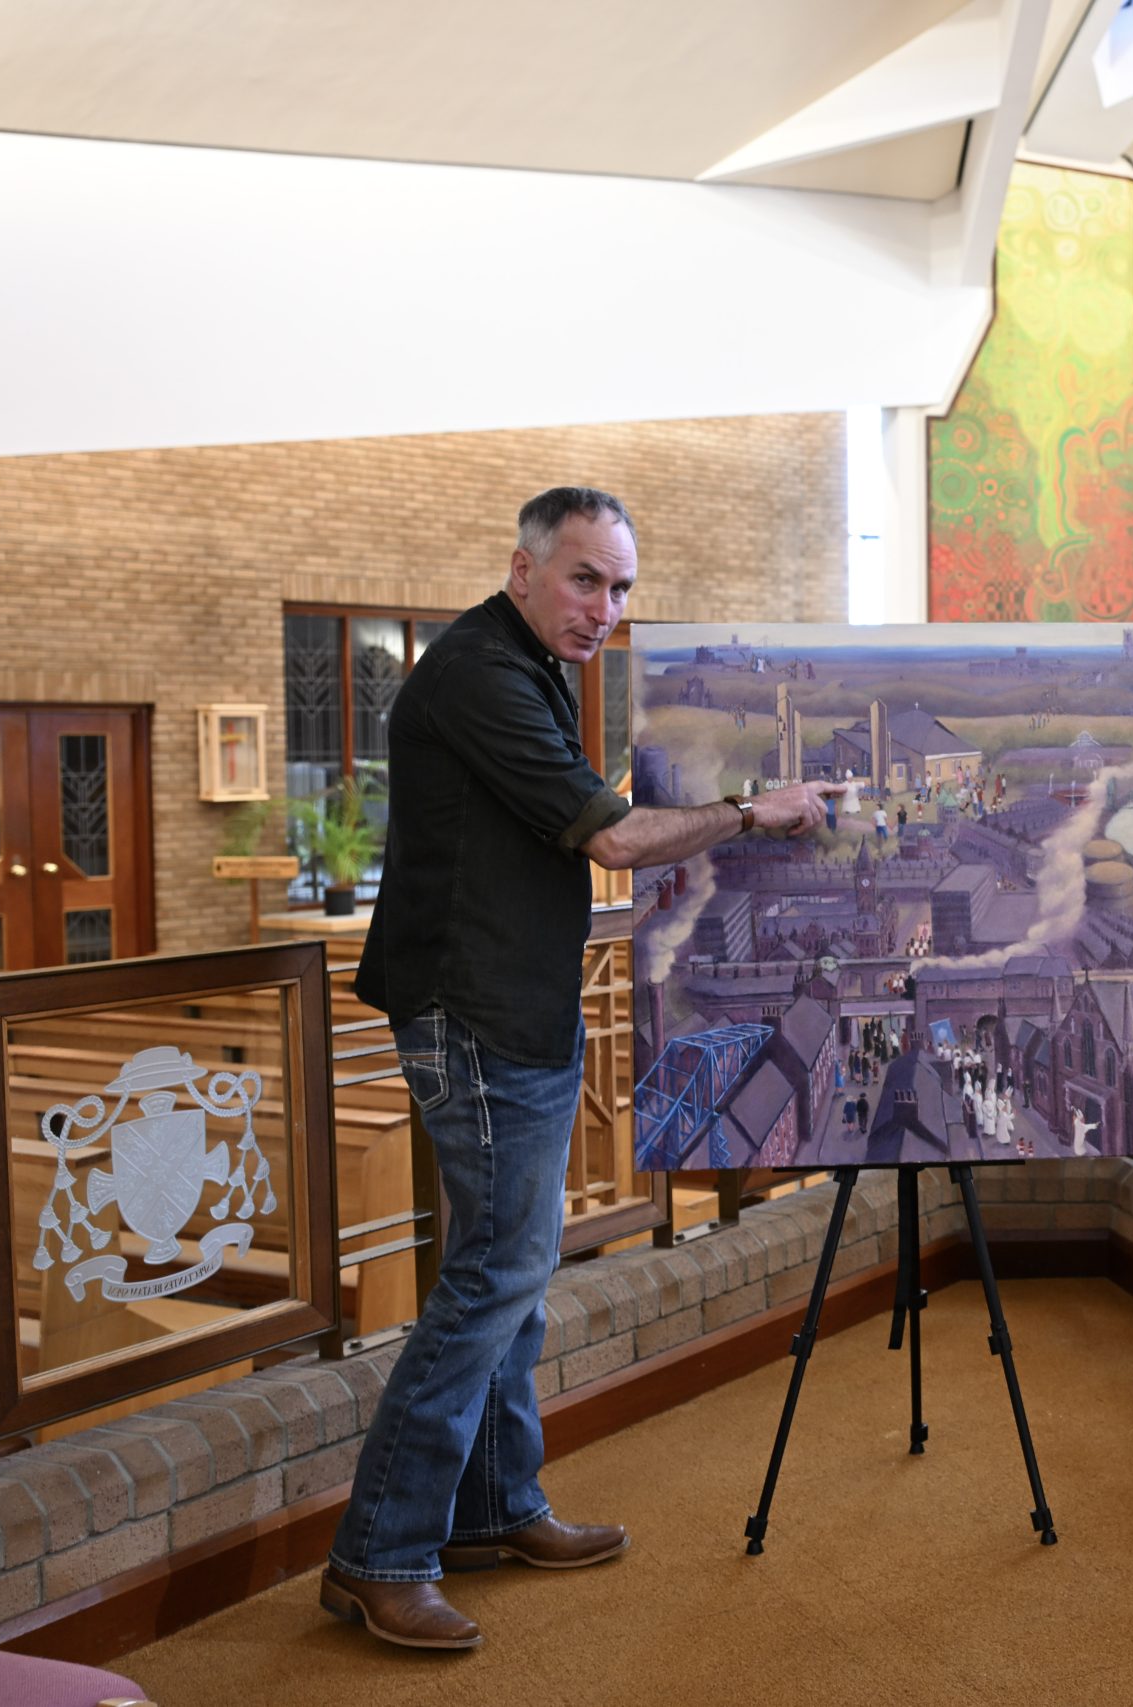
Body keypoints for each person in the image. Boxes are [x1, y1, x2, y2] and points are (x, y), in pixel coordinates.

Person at [325, 487, 845, 1650]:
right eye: (584, 580)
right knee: (489, 1283)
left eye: (620, 589)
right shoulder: (481, 672)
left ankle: (498, 1507)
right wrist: (750, 812)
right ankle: (378, 1551)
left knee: (509, 1274)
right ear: (523, 567)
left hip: (520, 1002)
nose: (604, 608)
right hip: (473, 1013)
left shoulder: (530, 661)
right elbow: (609, 838)